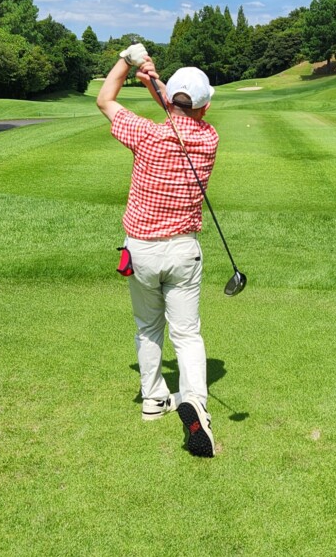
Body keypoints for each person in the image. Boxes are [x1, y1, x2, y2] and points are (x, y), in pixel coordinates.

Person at [96, 43, 218, 458]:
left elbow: (105, 99)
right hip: (184, 252)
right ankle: (195, 401)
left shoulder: (147, 134)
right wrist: (152, 76)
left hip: (142, 251)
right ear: (202, 108)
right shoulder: (208, 137)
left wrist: (129, 63)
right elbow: (177, 109)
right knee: (187, 334)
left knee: (148, 327)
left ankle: (153, 399)